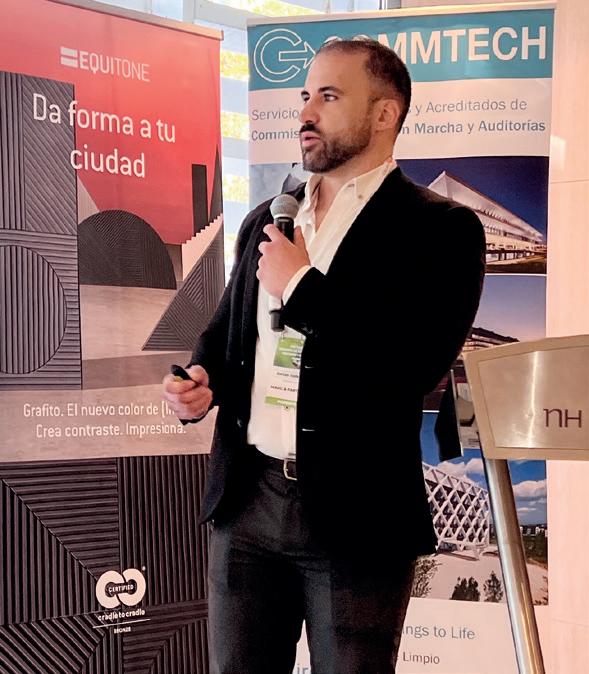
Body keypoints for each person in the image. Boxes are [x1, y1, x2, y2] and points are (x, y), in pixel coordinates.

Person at [163, 39, 485, 674]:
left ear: (385, 114)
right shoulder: (269, 218)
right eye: (305, 96)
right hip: (247, 505)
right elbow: (229, 335)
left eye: (329, 97)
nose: (306, 113)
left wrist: (304, 287)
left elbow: (412, 366)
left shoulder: (440, 229)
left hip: (356, 515)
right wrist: (202, 379)